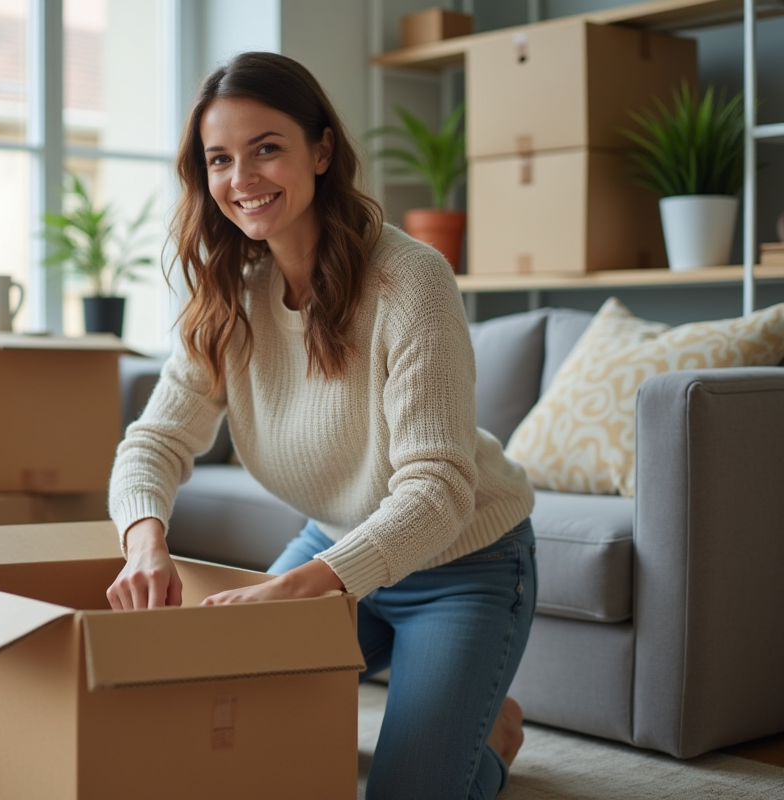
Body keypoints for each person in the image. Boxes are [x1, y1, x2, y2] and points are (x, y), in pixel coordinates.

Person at [106, 51, 537, 800]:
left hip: (463, 565)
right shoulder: (227, 297)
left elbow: (437, 490)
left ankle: (491, 736)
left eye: (266, 147)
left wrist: (300, 590)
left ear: (322, 150)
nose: (242, 179)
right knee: (236, 744)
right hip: (335, 542)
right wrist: (144, 544)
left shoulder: (411, 280)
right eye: (220, 159)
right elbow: (155, 441)